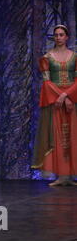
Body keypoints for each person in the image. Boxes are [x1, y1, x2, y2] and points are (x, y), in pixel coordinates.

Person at [33, 24, 77, 186]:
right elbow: (47, 82)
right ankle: (61, 175)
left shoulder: (75, 57)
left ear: (67, 37)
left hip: (72, 100)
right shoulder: (47, 58)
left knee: (72, 135)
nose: (58, 37)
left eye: (61, 35)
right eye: (56, 35)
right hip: (56, 102)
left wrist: (67, 96)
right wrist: (61, 97)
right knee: (57, 136)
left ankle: (70, 175)